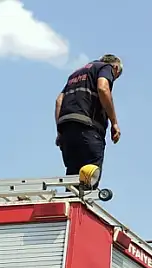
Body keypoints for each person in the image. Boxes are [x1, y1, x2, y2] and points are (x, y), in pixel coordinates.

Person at [54, 54, 123, 185]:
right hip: (89, 129)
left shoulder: (74, 75)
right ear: (115, 67)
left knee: (73, 180)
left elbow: (59, 101)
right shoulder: (105, 67)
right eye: (115, 76)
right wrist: (114, 123)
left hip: (67, 130)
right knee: (89, 177)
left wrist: (59, 132)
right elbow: (103, 88)